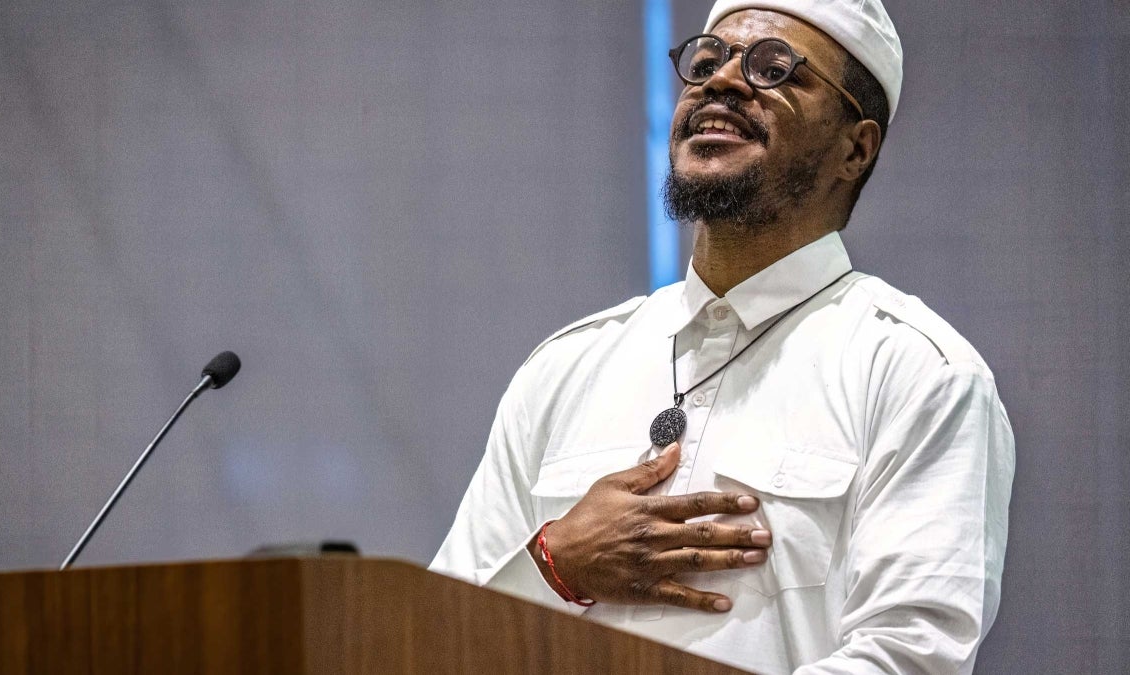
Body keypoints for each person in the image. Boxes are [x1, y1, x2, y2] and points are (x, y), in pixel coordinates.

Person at [430, 0, 1015, 672]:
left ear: (855, 147)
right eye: (705, 62)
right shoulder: (565, 368)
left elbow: (910, 657)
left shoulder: (919, 374)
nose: (720, 81)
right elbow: (436, 642)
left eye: (773, 69)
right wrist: (554, 563)